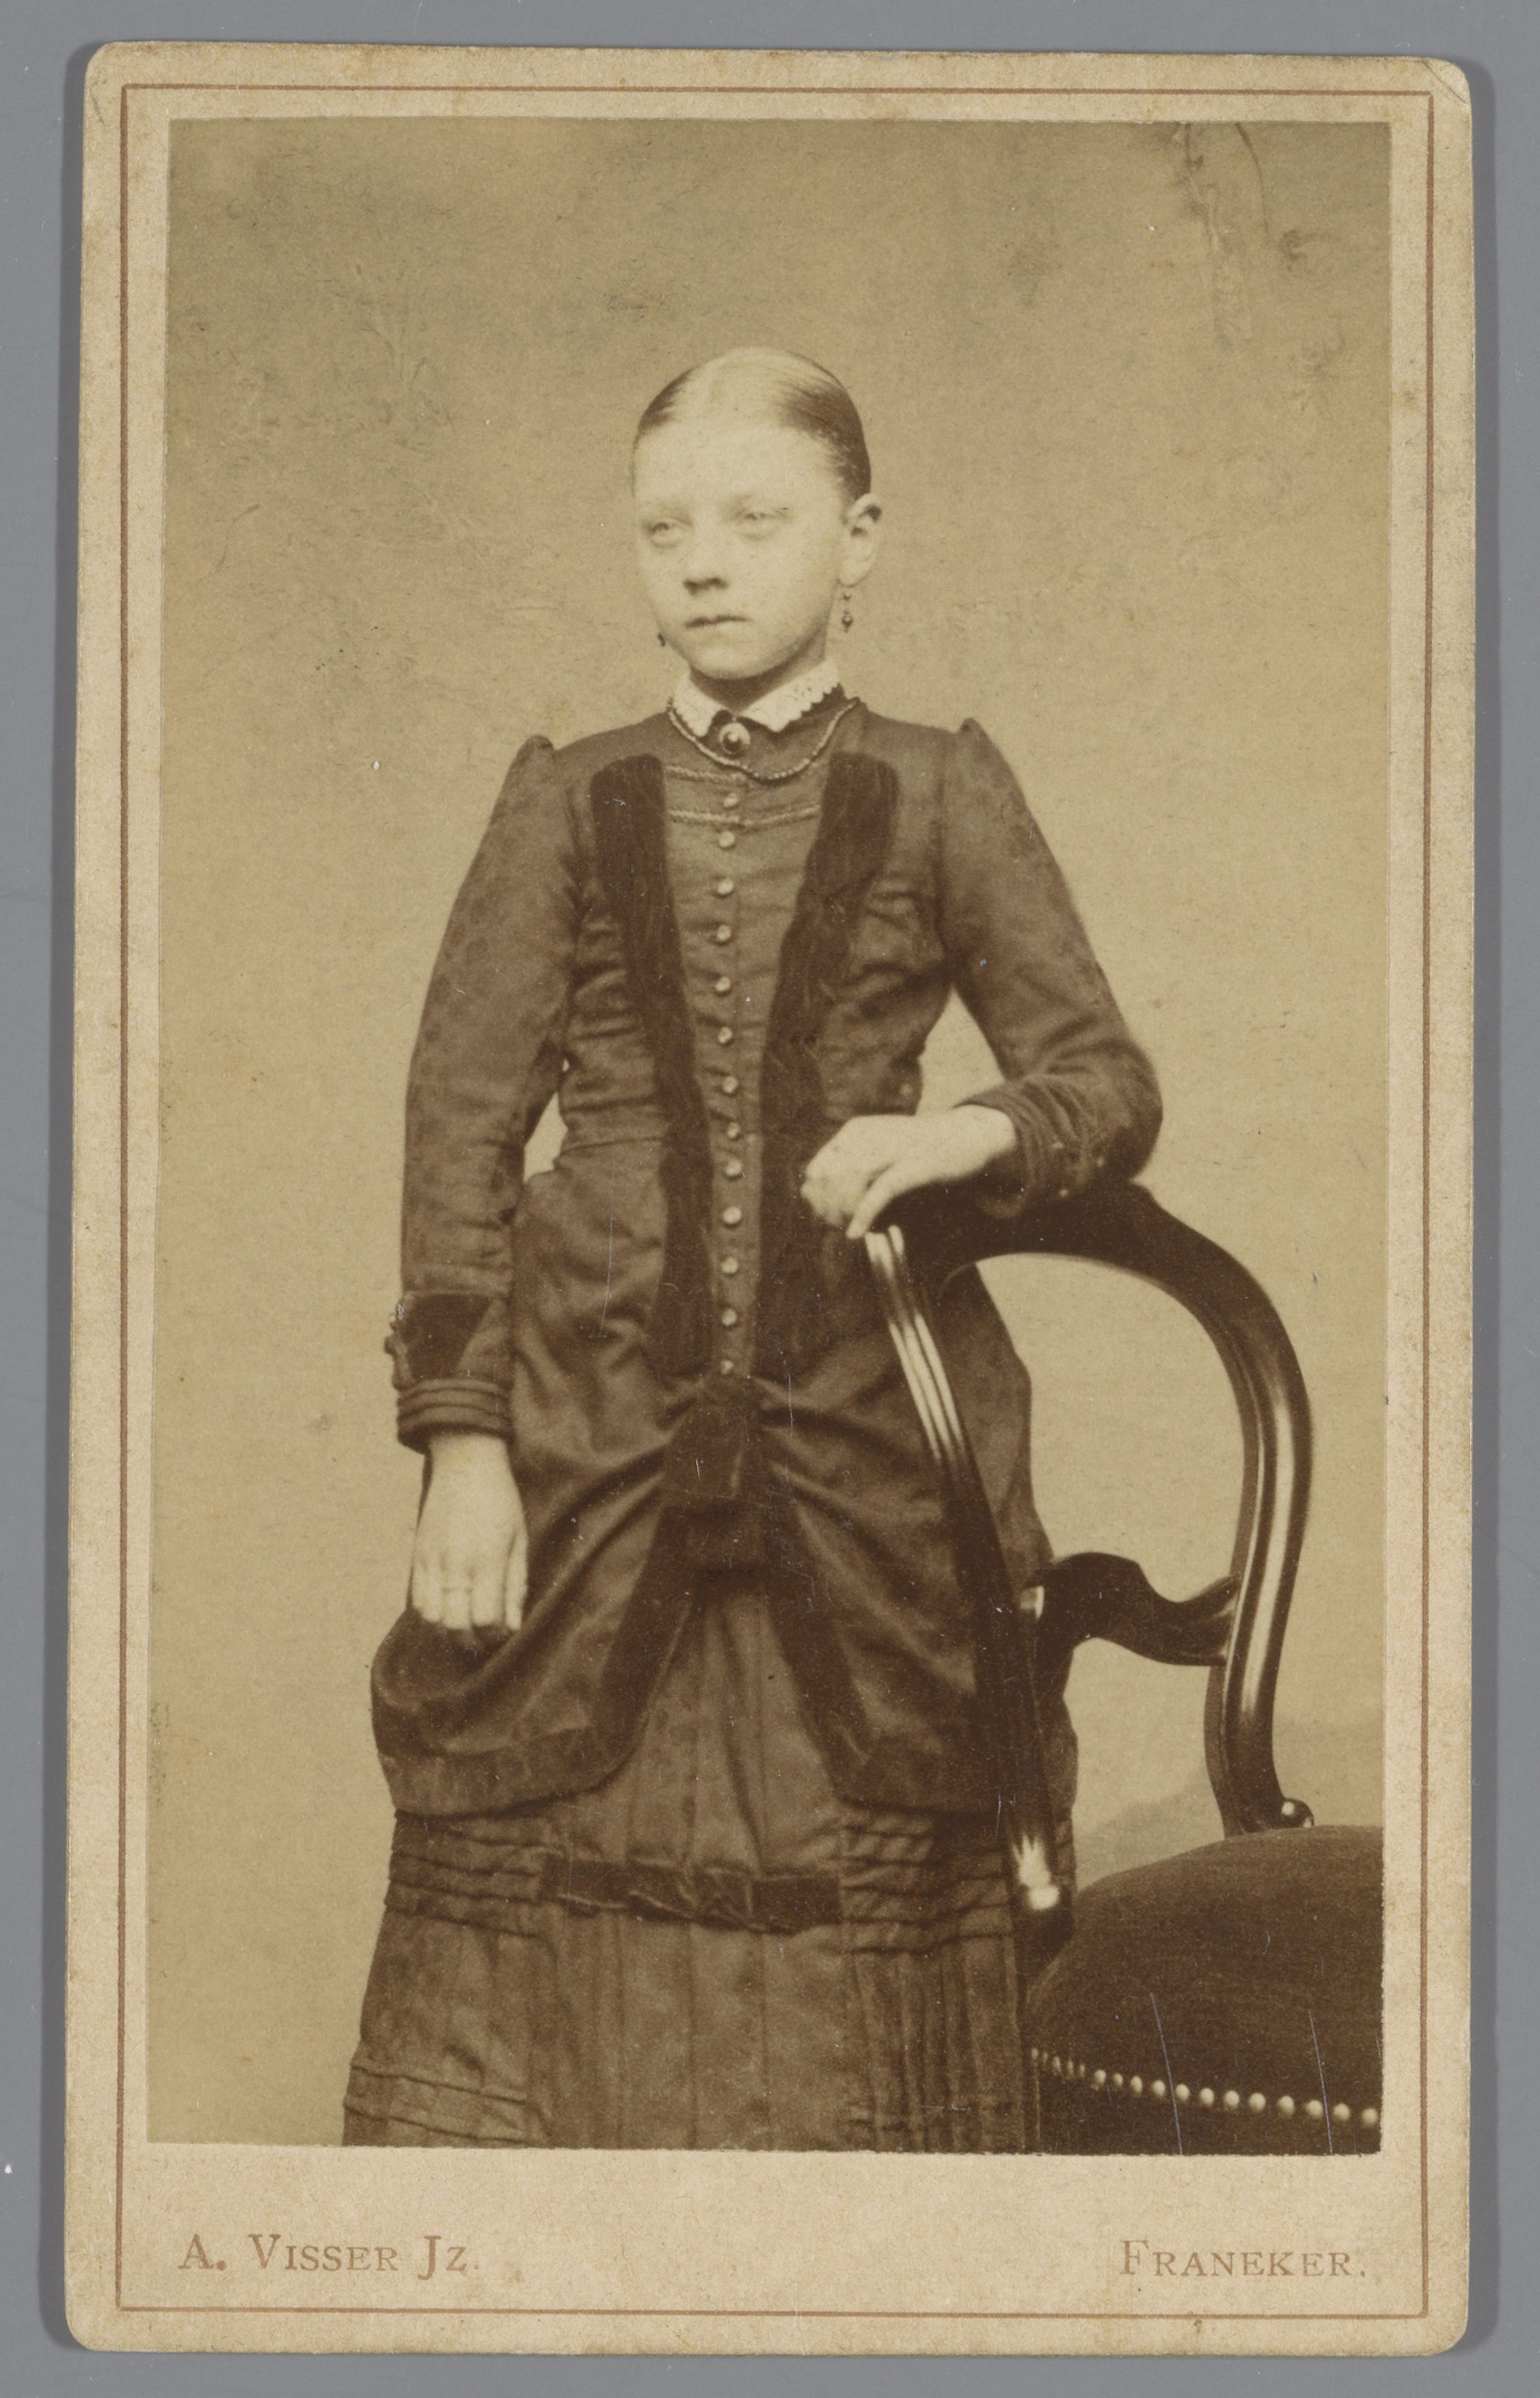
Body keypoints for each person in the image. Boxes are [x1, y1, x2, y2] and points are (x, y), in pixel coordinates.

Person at [343, 347, 1160, 2152]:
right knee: (544, 1853)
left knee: (862, 1868)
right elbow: (457, 1127)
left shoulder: (941, 787)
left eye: (753, 520)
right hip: (579, 1425)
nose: (702, 563)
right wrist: (463, 1446)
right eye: (663, 531)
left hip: (869, 1428)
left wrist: (953, 1135)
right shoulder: (566, 795)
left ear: (857, 538)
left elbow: (1103, 1082)